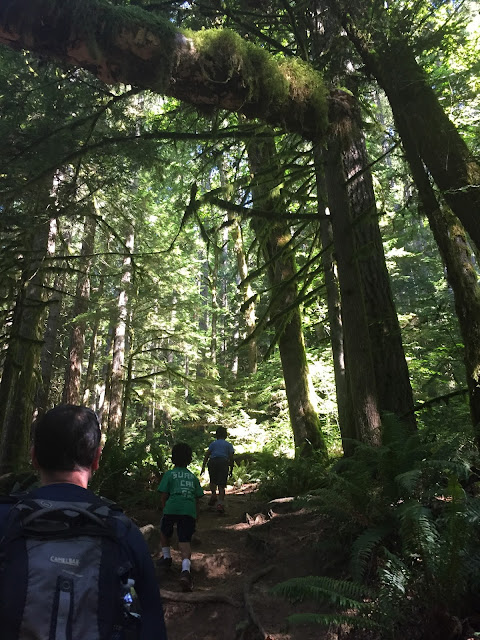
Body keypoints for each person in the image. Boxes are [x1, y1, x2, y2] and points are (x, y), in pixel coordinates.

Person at [0, 404, 167, 640]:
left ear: (34, 457)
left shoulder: (6, 520)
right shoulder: (122, 530)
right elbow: (152, 624)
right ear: (97, 459)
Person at [157, 443, 203, 592]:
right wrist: (195, 515)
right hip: (188, 511)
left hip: (171, 508)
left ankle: (166, 558)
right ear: (189, 459)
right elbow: (197, 499)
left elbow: (164, 496)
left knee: (164, 532)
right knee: (185, 540)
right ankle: (185, 571)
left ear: (173, 458)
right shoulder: (192, 477)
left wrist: (165, 510)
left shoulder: (169, 474)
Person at [200, 426, 234, 514]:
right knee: (222, 484)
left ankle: (214, 494)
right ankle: (220, 504)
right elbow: (231, 457)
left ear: (216, 435)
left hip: (213, 462)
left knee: (213, 480)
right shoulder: (228, 445)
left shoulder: (213, 444)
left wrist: (203, 467)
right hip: (223, 462)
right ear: (225, 435)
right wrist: (231, 469)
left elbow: (207, 455)